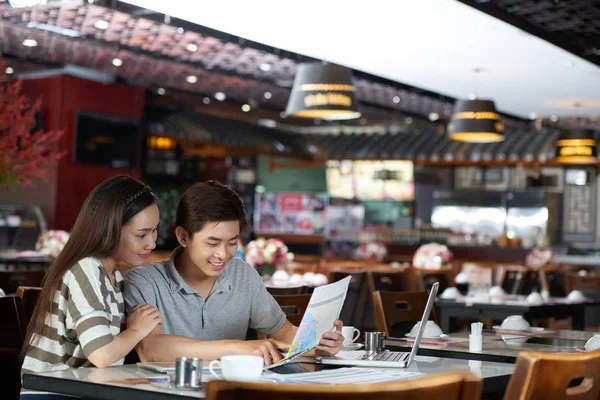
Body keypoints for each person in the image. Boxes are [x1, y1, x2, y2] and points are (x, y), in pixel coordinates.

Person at [124, 181, 344, 365]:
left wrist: (319, 343)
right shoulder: (144, 281)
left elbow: (285, 334)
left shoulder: (243, 276)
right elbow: (151, 350)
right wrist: (238, 347)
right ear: (183, 237)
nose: (223, 254)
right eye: (212, 243)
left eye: (232, 242)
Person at [21, 175, 162, 375]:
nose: (151, 243)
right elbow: (102, 355)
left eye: (154, 231)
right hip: (53, 390)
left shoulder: (113, 277)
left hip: (85, 387)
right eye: (141, 234)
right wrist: (137, 329)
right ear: (110, 229)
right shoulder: (86, 270)